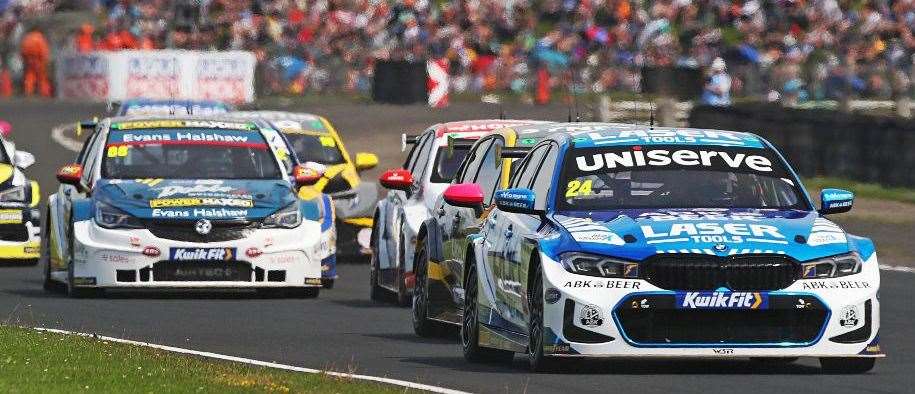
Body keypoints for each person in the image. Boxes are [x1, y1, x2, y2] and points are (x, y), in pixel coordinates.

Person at [20, 26, 51, 97]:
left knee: (30, 75)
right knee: (42, 77)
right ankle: (45, 93)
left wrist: (25, 60)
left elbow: (22, 50)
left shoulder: (27, 38)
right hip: (39, 60)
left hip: (29, 59)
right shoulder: (40, 38)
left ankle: (28, 91)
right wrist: (46, 60)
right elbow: (44, 50)